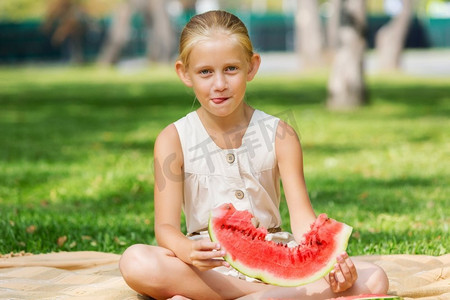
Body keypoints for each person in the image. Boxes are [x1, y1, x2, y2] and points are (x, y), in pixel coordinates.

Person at [119, 10, 389, 300]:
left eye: (231, 69)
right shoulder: (172, 139)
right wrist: (186, 249)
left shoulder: (279, 134)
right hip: (207, 265)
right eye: (205, 72)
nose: (219, 83)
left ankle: (248, 295)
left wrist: (333, 264)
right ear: (184, 73)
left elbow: (303, 220)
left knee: (376, 278)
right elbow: (166, 228)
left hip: (276, 253)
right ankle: (273, 295)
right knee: (136, 261)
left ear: (252, 67)